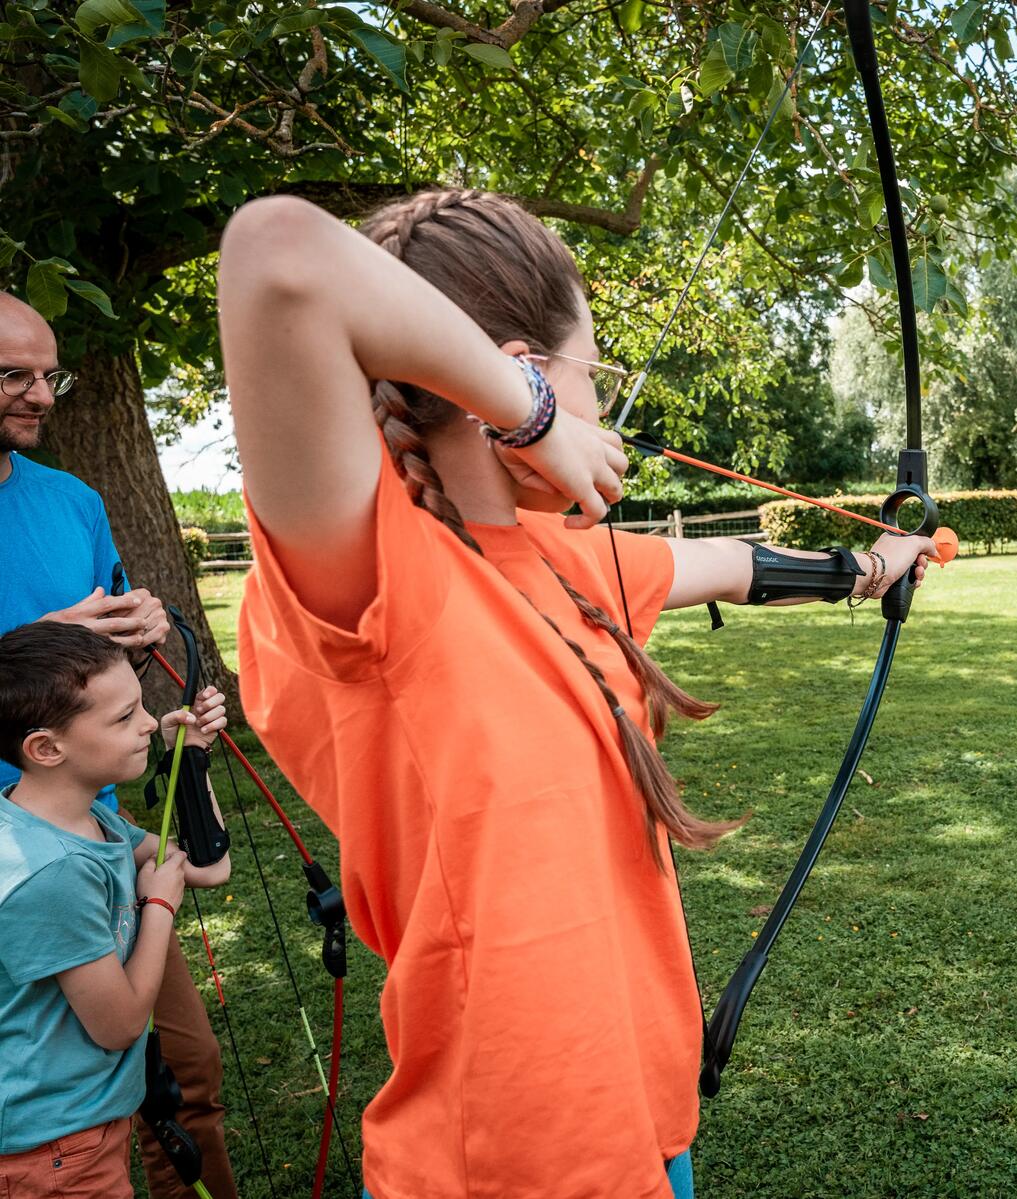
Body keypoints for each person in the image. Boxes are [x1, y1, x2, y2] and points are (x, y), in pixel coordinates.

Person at [216, 188, 938, 1199]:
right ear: (521, 368)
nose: (598, 412)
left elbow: (733, 564)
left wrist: (868, 565)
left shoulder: (563, 559)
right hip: (507, 1165)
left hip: (644, 1129)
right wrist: (537, 414)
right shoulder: (376, 582)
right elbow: (278, 252)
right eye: (587, 378)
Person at [0, 292, 241, 1199]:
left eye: (48, 374)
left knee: (183, 1074)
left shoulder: (72, 501)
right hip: (17, 867)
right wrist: (40, 630)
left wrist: (135, 629)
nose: (41, 396)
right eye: (13, 377)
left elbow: (98, 666)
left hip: (95, 840)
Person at [0, 621, 231, 1198]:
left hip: (82, 1128)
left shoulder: (90, 821)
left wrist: (192, 760)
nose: (150, 722)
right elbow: (120, 1025)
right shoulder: (50, 872)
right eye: (125, 717)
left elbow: (206, 867)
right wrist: (157, 907)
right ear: (47, 748)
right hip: (53, 1150)